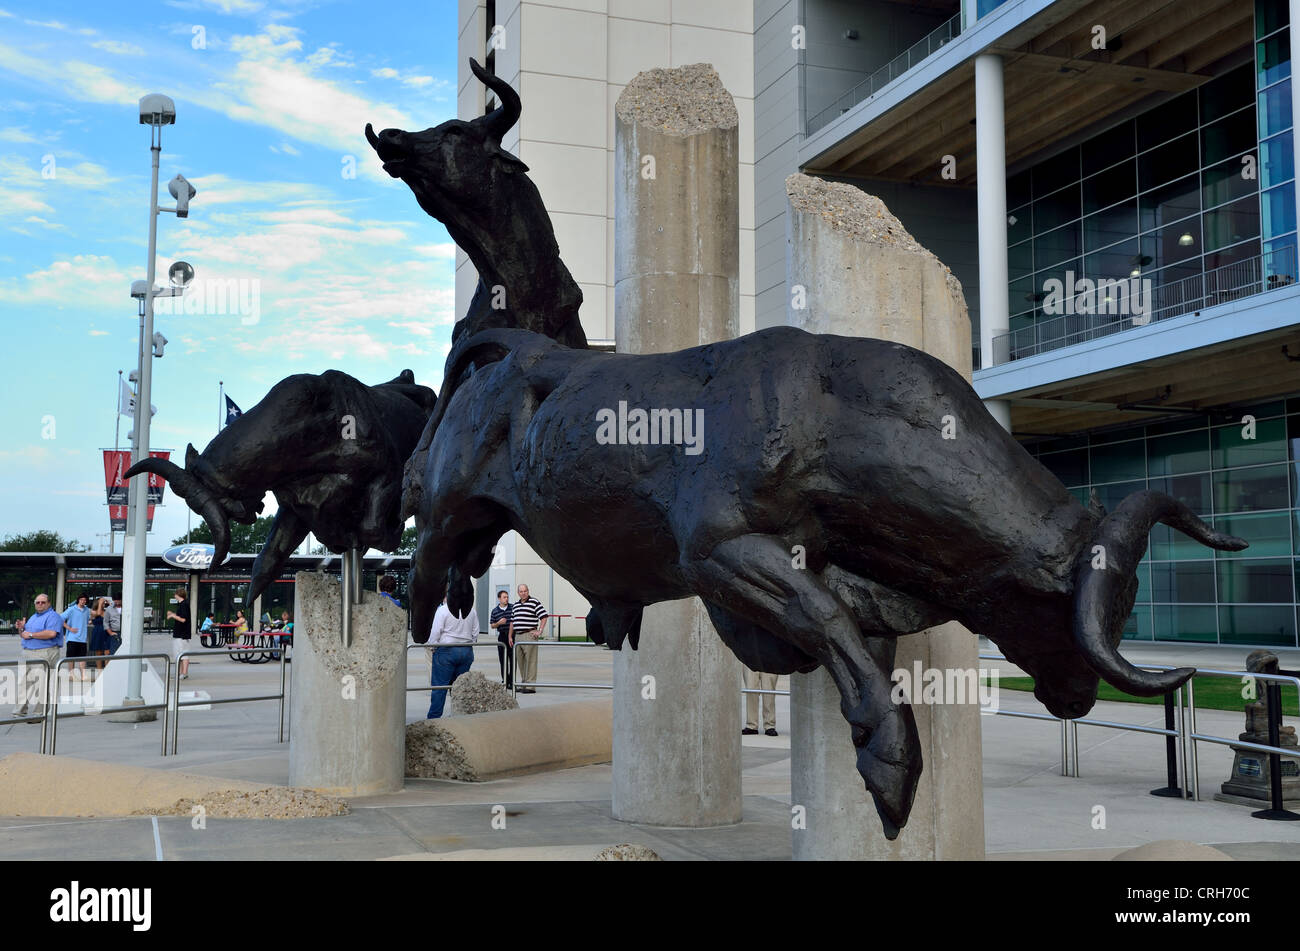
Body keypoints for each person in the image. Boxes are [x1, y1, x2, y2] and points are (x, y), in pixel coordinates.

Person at [13, 593, 64, 720]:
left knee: (42, 685)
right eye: (37, 602)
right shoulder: (33, 617)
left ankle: (39, 713)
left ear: (48, 603)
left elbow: (51, 633)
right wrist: (21, 629)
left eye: (43, 602)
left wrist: (30, 634)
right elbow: (25, 634)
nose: (40, 604)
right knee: (23, 683)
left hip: (45, 652)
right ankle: (19, 712)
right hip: (28, 652)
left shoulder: (53, 616)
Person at [426, 594, 477, 718]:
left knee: (440, 687)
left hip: (446, 650)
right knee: (461, 688)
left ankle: (434, 719)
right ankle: (460, 716)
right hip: (466, 650)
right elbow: (475, 633)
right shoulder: (471, 610)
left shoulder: (443, 610)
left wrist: (432, 647)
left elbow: (435, 632)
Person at [510, 584, 548, 694]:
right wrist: (510, 636)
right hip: (518, 636)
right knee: (521, 662)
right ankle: (524, 683)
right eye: (521, 591)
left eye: (525, 591)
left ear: (528, 591)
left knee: (530, 661)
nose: (523, 593)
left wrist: (540, 630)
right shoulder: (516, 605)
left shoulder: (534, 602)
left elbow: (544, 616)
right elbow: (512, 621)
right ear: (518, 593)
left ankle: (530, 686)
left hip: (529, 634)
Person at [742, 664, 779, 737]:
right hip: (750, 657)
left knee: (769, 690)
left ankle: (769, 725)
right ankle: (751, 725)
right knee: (751, 690)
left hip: (770, 657)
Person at [61, 593, 91, 682]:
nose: (83, 601)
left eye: (85, 600)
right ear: (78, 600)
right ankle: (71, 674)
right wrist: (69, 628)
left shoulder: (87, 610)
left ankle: (83, 675)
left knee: (83, 657)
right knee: (71, 658)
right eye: (81, 599)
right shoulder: (71, 609)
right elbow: (60, 618)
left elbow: (88, 619)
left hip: (83, 638)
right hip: (72, 638)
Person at [166, 587, 192, 679]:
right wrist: (173, 614)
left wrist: (173, 615)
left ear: (178, 595)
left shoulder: (184, 604)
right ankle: (181, 673)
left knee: (183, 654)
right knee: (179, 654)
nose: (174, 596)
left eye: (175, 594)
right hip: (180, 634)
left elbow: (183, 619)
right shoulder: (182, 604)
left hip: (182, 634)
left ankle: (184, 673)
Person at [490, 589, 514, 689]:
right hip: (502, 636)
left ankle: (512, 682)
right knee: (503, 660)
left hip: (512, 636)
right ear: (499, 599)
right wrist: (499, 623)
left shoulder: (513, 608)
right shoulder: (495, 611)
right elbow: (492, 625)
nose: (506, 599)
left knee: (512, 659)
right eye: (504, 597)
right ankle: (505, 680)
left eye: (507, 597)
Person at [88, 597, 111, 672]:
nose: (103, 604)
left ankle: (107, 670)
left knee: (107, 652)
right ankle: (99, 670)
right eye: (102, 603)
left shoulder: (106, 611)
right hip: (98, 632)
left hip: (106, 632)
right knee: (99, 652)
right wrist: (100, 603)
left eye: (103, 603)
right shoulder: (93, 611)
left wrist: (109, 603)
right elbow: (98, 613)